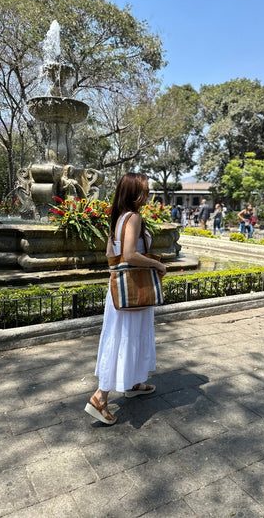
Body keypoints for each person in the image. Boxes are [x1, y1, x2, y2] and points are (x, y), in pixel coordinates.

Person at [84, 172, 166, 425]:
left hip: (120, 291)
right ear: (134, 193)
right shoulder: (134, 218)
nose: (149, 193)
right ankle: (100, 398)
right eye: (145, 189)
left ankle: (132, 382)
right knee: (127, 338)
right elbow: (129, 255)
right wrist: (156, 265)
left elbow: (112, 255)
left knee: (122, 337)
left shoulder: (118, 219)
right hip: (134, 290)